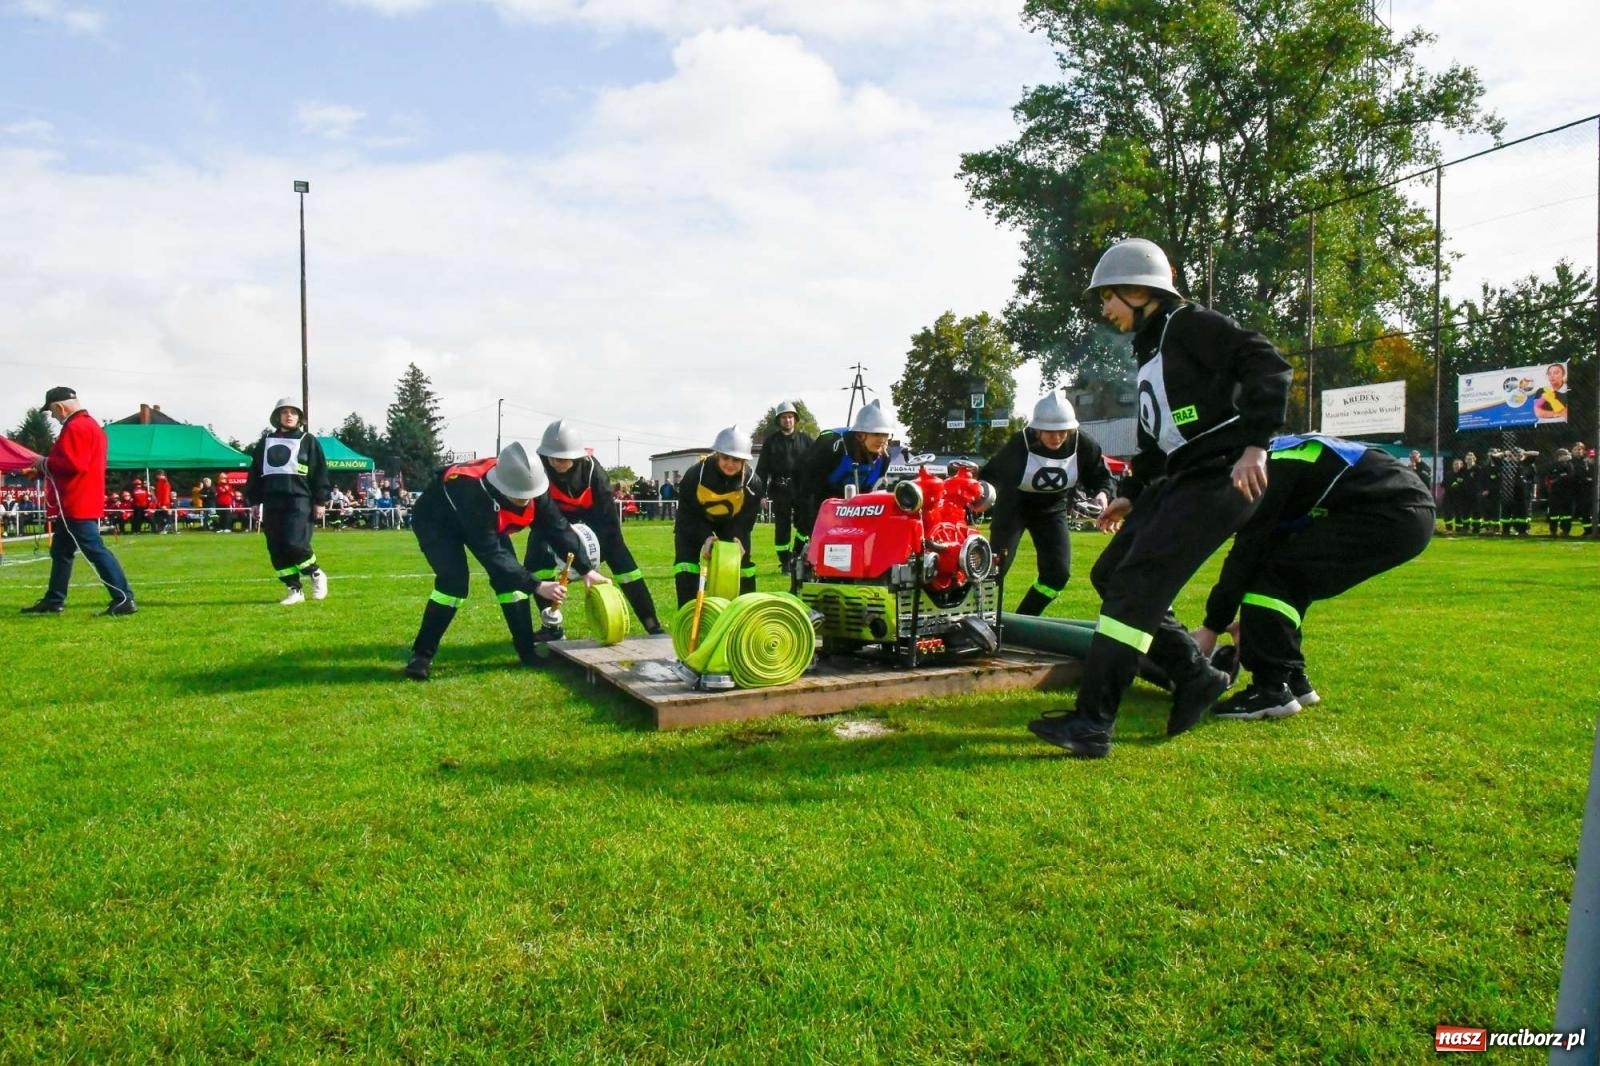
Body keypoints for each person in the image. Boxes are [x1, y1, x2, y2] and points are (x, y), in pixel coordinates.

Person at [1026, 237, 1291, 758]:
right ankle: (1194, 677)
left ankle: (1093, 721)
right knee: (1110, 575)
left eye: (1109, 297)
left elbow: (1270, 365)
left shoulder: (1191, 324)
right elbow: (1158, 439)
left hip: (1221, 477)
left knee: (1134, 588)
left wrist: (1257, 445)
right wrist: (1130, 493)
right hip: (1185, 478)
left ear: (1138, 290)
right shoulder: (1151, 346)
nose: (1104, 309)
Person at [1190, 434, 1435, 719]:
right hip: (1403, 508)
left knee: (1275, 575)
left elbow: (1247, 550)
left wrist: (1211, 627)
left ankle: (1271, 690)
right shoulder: (1279, 452)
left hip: (1388, 509)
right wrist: (1258, 625)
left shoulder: (1264, 466)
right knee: (1290, 575)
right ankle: (1293, 677)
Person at [404, 441, 607, 680]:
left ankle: (526, 652)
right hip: (437, 523)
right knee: (453, 584)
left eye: (529, 496)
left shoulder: (534, 487)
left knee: (510, 586)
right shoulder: (471, 490)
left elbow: (557, 528)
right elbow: (491, 552)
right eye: (518, 497)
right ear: (500, 486)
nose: (524, 501)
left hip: (487, 525)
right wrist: (537, 585)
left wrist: (586, 570)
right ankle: (421, 656)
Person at [524, 420, 663, 637]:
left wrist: (589, 562)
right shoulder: (538, 470)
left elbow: (608, 521)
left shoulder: (594, 473)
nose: (558, 463)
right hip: (552, 520)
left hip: (595, 521)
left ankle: (652, 625)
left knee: (626, 566)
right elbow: (539, 516)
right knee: (536, 561)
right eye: (554, 458)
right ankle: (551, 626)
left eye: (565, 459)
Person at [979, 392, 1113, 615]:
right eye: (1050, 432)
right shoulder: (1019, 445)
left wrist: (1102, 494)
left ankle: (1024, 620)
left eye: (1063, 431)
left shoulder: (1084, 445)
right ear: (1037, 429)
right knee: (993, 570)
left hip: (1052, 510)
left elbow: (1101, 477)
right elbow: (991, 475)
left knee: (1057, 575)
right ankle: (977, 619)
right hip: (1013, 509)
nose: (1057, 437)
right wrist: (984, 496)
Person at [18, 386, 137, 616]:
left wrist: (42, 463)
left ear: (60, 407)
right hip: (80, 500)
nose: (53, 417)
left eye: (53, 413)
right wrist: (43, 470)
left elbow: (73, 464)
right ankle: (54, 600)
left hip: (76, 502)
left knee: (94, 550)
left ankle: (124, 598)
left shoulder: (76, 427)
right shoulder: (90, 426)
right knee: (62, 551)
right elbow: (76, 463)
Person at [244, 397, 331, 605]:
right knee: (276, 547)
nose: (289, 415)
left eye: (293, 412)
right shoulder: (265, 443)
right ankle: (294, 589)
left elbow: (320, 471)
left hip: (299, 500)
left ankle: (316, 573)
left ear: (299, 417)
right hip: (272, 501)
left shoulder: (308, 440)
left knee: (295, 543)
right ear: (277, 417)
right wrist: (254, 501)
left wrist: (321, 500)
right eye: (285, 412)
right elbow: (255, 473)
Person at [672, 426, 763, 608]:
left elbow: (746, 519)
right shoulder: (694, 476)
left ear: (744, 460)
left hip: (731, 523)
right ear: (716, 455)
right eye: (725, 458)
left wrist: (738, 539)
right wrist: (705, 536)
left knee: (743, 564)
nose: (730, 463)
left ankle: (744, 611)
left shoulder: (753, 483)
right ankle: (688, 615)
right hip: (694, 521)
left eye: (736, 459)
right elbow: (688, 514)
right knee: (685, 565)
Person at [794, 399, 895, 547]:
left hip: (857, 499)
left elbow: (873, 496)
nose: (882, 440)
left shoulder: (884, 457)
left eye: (886, 434)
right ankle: (800, 556)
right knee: (816, 534)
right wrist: (810, 521)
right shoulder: (831, 446)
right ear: (860, 434)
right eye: (876, 434)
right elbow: (807, 486)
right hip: (821, 492)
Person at [754, 401, 814, 574]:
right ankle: (785, 561)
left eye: (790, 417)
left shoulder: (806, 440)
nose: (787, 420)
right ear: (779, 420)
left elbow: (816, 462)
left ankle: (797, 552)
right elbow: (762, 470)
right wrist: (761, 495)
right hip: (780, 489)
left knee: (807, 523)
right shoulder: (770, 443)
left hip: (802, 489)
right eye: (784, 417)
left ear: (795, 419)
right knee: (782, 527)